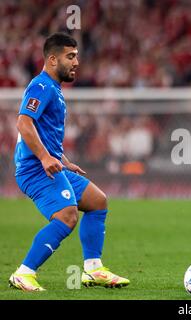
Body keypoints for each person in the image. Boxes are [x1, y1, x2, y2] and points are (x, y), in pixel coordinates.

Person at [9, 32, 130, 292]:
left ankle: (93, 269)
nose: (76, 62)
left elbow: (45, 134)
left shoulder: (55, 89)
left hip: (51, 165)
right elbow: (24, 122)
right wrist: (43, 157)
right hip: (35, 169)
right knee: (67, 216)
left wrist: (64, 160)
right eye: (70, 56)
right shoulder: (41, 86)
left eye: (77, 56)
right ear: (52, 60)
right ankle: (24, 272)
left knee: (97, 201)